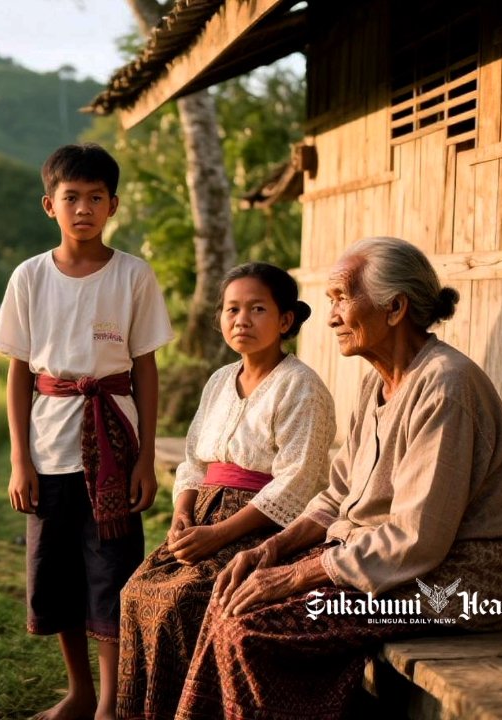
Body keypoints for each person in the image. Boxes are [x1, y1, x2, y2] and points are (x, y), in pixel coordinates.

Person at [175, 236, 502, 720]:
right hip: (383, 558)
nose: (330, 316)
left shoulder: (446, 388)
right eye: (331, 301)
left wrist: (296, 574)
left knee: (252, 628)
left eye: (343, 298)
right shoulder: (377, 380)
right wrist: (270, 550)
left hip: (449, 581)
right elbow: (338, 492)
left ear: (395, 308)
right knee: (229, 594)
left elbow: (417, 540)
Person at [0, 143, 174, 720]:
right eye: (72, 197)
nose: (84, 208)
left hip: (115, 447)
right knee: (60, 572)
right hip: (50, 451)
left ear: (114, 204)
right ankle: (80, 691)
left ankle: (112, 703)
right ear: (50, 205)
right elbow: (20, 373)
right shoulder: (30, 277)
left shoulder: (133, 276)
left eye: (97, 197)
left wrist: (145, 458)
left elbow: (144, 367)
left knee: (113, 571)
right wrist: (21, 460)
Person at [118, 263, 336, 720]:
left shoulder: (301, 387)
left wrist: (220, 536)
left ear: (285, 321)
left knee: (182, 601)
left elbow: (296, 481)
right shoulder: (219, 381)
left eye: (258, 309)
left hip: (261, 528)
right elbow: (196, 460)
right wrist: (184, 513)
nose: (242, 320)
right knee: (137, 590)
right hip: (203, 516)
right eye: (233, 309)